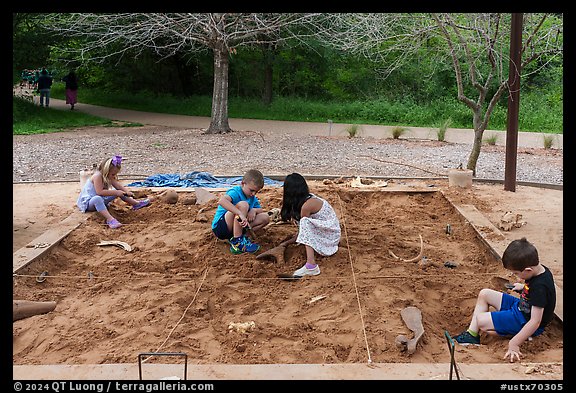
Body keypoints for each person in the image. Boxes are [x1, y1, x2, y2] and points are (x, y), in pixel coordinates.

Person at [452, 237, 556, 363]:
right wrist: (523, 288)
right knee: (485, 294)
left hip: (524, 319)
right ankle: (471, 335)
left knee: (481, 322)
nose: (515, 276)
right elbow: (534, 290)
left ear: (528, 270)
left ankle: (520, 335)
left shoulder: (540, 287)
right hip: (521, 306)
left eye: (516, 273)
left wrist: (514, 344)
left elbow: (535, 322)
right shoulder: (539, 270)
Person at [279, 172, 341, 277]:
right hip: (328, 231)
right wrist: (286, 243)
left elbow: (303, 231)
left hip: (330, 236)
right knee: (304, 222)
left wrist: (286, 243)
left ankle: (311, 266)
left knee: (304, 222)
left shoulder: (306, 206)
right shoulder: (307, 199)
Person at [77, 155, 151, 229]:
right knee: (98, 198)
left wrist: (126, 191)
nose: (114, 176)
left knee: (119, 191)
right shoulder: (97, 176)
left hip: (102, 199)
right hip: (90, 202)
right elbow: (99, 192)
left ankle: (136, 204)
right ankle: (110, 220)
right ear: (106, 171)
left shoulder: (109, 176)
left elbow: (118, 186)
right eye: (113, 174)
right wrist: (116, 193)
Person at [211, 169, 269, 254]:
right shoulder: (235, 191)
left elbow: (260, 210)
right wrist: (239, 213)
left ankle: (243, 237)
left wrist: (254, 210)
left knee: (265, 218)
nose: (253, 194)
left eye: (256, 192)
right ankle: (238, 243)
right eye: (251, 190)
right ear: (242, 184)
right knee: (243, 205)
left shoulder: (252, 198)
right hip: (222, 227)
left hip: (237, 227)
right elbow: (222, 201)